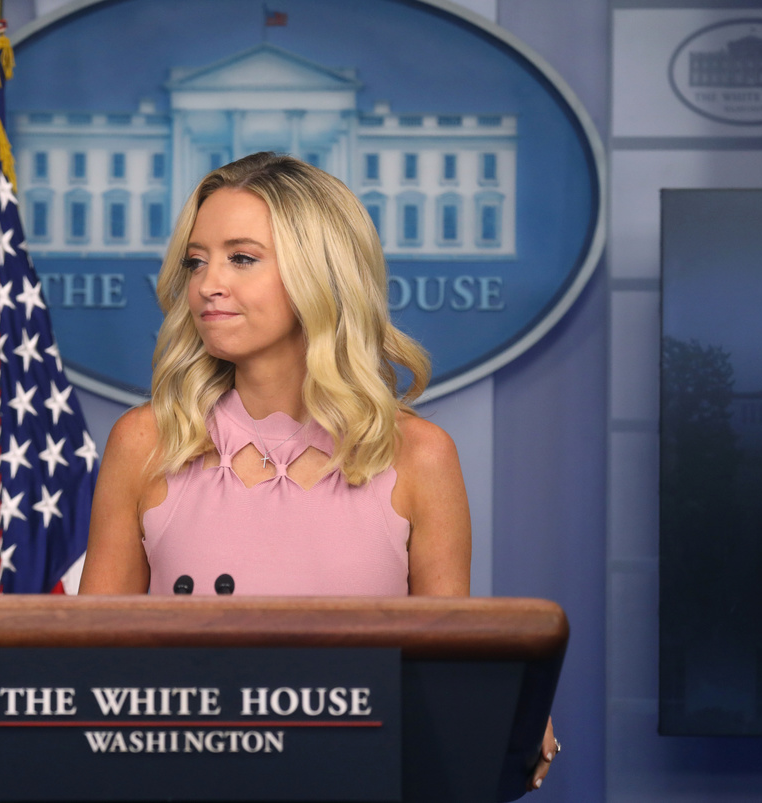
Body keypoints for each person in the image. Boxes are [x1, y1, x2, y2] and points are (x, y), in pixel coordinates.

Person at [78, 151, 556, 789]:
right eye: (196, 261)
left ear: (320, 274)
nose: (207, 283)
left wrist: (505, 709)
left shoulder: (421, 455)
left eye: (241, 258)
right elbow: (88, 663)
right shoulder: (143, 442)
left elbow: (445, 668)